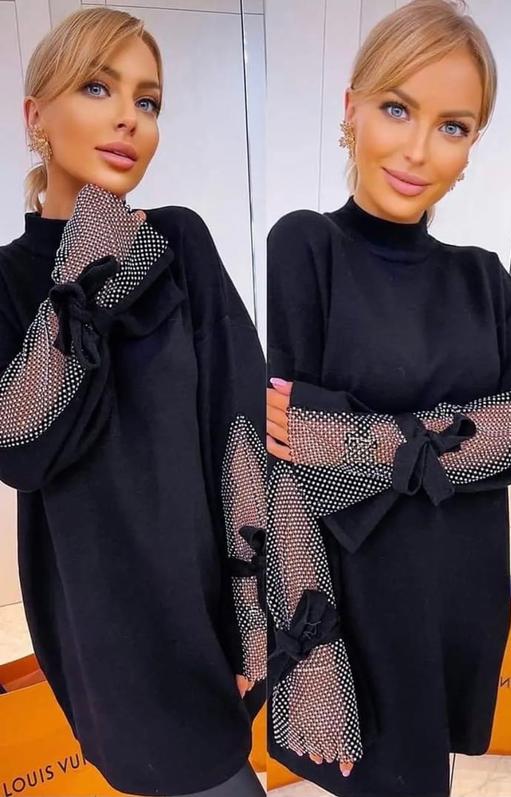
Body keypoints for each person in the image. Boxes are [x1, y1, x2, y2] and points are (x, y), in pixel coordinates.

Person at [265, 1, 511, 795]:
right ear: (351, 108)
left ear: (473, 143)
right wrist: (313, 654)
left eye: (452, 126)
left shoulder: (482, 277)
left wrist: (361, 440)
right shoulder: (306, 246)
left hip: (460, 601)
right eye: (396, 109)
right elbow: (286, 466)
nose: (419, 149)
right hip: (357, 613)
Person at [0, 8, 267, 796]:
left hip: (206, 597)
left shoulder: (179, 242)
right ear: (35, 117)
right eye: (98, 87)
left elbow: (240, 427)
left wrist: (255, 606)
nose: (130, 118)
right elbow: (21, 447)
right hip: (98, 617)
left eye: (147, 101)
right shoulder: (8, 280)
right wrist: (89, 252)